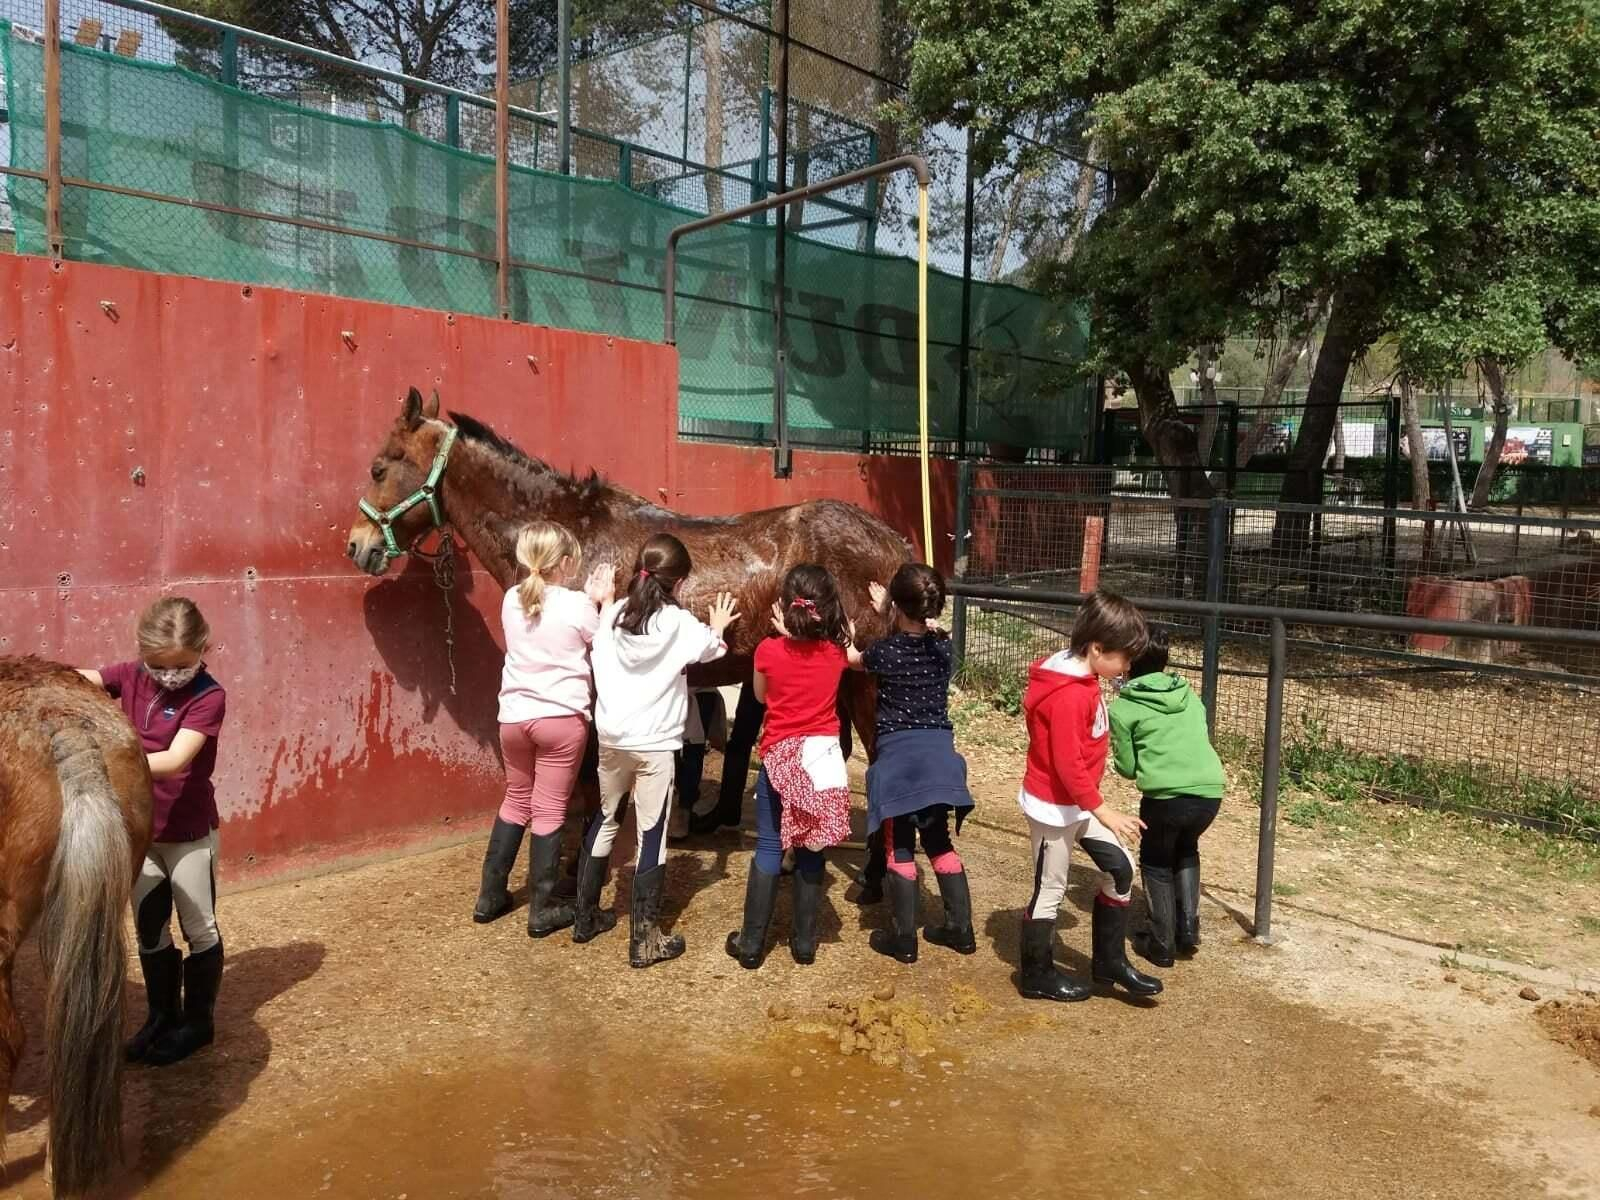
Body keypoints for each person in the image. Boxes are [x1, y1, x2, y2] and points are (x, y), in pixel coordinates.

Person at [78, 597, 228, 1065]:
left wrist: (99, 760)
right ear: (143, 653)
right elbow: (82, 679)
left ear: (203, 648)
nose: (168, 675)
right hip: (140, 831)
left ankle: (198, 1023)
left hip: (187, 833)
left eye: (181, 665)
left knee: (199, 925)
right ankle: (162, 1015)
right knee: (149, 927)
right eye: (158, 665)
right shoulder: (131, 674)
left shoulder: (209, 695)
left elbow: (174, 760)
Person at [586, 534, 739, 967]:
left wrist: (603, 603)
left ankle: (585, 917)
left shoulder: (614, 613)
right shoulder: (679, 623)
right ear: (681, 581)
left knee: (607, 819)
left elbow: (599, 647)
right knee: (652, 834)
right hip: (654, 746)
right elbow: (713, 650)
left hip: (612, 738)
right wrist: (721, 626)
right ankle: (645, 940)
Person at [1016, 590, 1162, 1002]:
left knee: (1120, 870)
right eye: (1125, 658)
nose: (1128, 666)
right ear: (1097, 648)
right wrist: (1106, 812)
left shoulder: (1085, 676)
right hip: (1054, 807)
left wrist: (1096, 806)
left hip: (1079, 803)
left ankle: (1109, 963)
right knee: (1051, 887)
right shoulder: (1068, 693)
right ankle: (1036, 974)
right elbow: (1065, 763)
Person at [474, 521, 614, 936]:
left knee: (516, 799)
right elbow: (603, 646)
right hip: (561, 719)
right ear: (567, 563)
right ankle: (543, 908)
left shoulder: (511, 599)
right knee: (550, 808)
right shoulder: (578, 606)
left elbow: (545, 612)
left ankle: (490, 896)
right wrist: (602, 602)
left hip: (513, 717)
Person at [725, 564, 857, 969]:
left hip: (781, 756)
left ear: (784, 606)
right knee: (812, 849)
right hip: (822, 761)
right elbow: (848, 649)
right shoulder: (836, 655)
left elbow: (762, 698)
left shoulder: (767, 652)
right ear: (829, 608)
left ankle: (750, 945)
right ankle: (804, 944)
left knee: (769, 844)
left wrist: (783, 640)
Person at [857, 564, 976, 963]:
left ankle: (903, 938)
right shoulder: (944, 649)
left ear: (894, 603)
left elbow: (854, 658)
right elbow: (925, 633)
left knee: (900, 845)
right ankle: (961, 931)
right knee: (939, 842)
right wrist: (892, 608)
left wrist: (877, 615)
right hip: (940, 758)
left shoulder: (882, 652)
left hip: (900, 762)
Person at [1109, 629, 1225, 966]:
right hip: (1209, 792)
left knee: (1157, 860)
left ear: (1127, 663)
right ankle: (1188, 929)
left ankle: (1161, 942)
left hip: (1165, 797)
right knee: (1186, 848)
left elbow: (1128, 769)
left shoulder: (1124, 707)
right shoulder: (1188, 693)